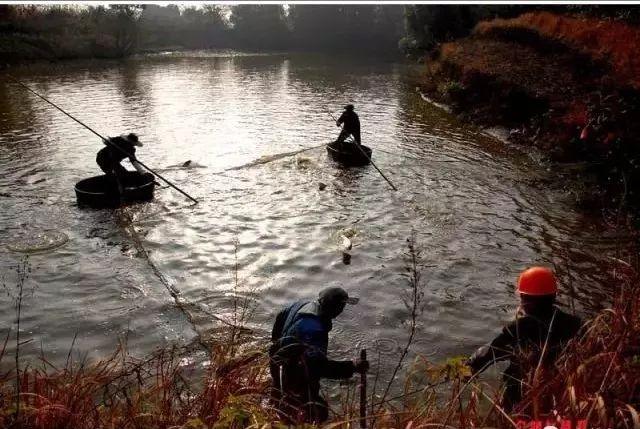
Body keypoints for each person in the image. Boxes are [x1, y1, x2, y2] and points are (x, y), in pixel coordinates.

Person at [467, 267, 582, 411]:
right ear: (553, 295)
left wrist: (469, 365)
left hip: (521, 397)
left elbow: (491, 352)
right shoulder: (575, 324)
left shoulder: (519, 328)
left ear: (527, 301)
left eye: (522, 296)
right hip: (561, 394)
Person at [269, 287, 369, 424]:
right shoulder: (313, 329)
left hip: (276, 360)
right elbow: (319, 367)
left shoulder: (302, 304)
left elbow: (281, 315)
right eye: (342, 306)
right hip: (290, 371)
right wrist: (352, 367)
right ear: (337, 308)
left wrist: (278, 343)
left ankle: (276, 409)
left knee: (280, 397)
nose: (342, 310)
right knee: (319, 411)